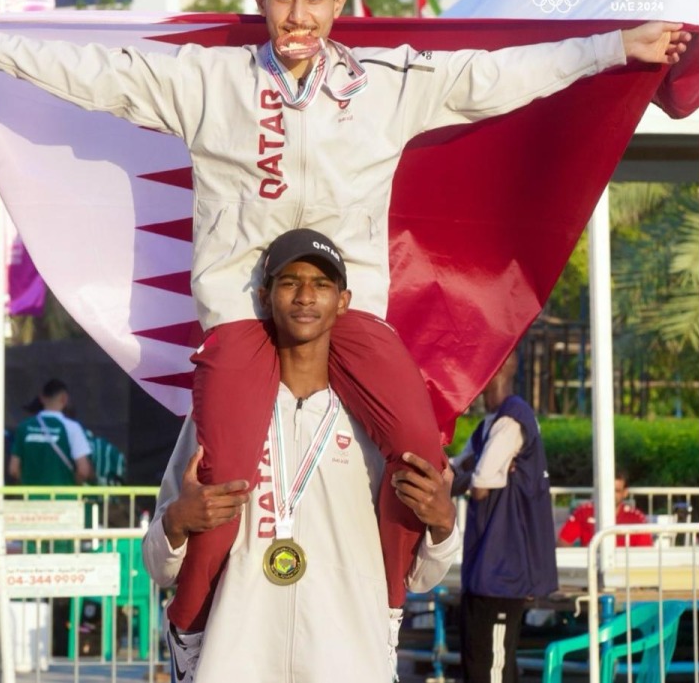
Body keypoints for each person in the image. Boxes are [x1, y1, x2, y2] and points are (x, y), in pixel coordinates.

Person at [0, 0, 690, 634]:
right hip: (243, 324)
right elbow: (93, 72)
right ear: (261, 1)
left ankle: (386, 605)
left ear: (339, 0)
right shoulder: (208, 82)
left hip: (350, 320)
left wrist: (616, 46)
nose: (299, 17)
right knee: (219, 474)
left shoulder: (389, 84)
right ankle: (189, 633)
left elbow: (501, 75)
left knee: (422, 454)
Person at [143, 228, 460, 682]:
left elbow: (422, 579)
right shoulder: (216, 415)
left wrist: (444, 525)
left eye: (322, 285)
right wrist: (176, 522)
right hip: (238, 657)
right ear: (266, 296)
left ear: (343, 301)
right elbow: (159, 565)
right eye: (290, 282)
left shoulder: (375, 424)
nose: (306, 297)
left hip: (347, 656)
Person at [451, 352, 557, 683]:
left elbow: (478, 485)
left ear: (497, 372)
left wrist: (474, 475)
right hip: (483, 566)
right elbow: (454, 476)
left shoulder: (513, 420)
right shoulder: (488, 426)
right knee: (475, 658)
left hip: (504, 568)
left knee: (493, 665)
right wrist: (475, 473)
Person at [9, 379, 95, 490]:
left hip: (31, 500)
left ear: (41, 398)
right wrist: (73, 486)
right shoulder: (72, 427)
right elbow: (83, 470)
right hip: (64, 499)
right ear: (64, 399)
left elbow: (13, 469)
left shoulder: (24, 427)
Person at [557, 468, 654, 548]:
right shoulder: (584, 512)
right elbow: (563, 542)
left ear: (625, 493)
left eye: (616, 491)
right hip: (591, 567)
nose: (611, 494)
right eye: (608, 489)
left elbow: (645, 552)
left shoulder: (636, 518)